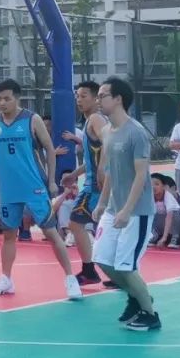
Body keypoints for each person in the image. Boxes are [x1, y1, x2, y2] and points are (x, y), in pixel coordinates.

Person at [0, 79, 82, 299]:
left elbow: (49, 149)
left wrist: (52, 181)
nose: (2, 102)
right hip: (8, 189)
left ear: (17, 98)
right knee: (9, 234)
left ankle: (70, 278)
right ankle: (6, 279)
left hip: (34, 186)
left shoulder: (31, 119)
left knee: (51, 232)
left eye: (7, 98)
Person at [92, 77, 160, 330]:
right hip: (113, 209)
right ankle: (136, 296)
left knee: (125, 265)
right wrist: (102, 203)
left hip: (136, 212)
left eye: (103, 95)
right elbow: (111, 172)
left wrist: (127, 210)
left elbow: (141, 175)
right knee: (102, 259)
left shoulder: (136, 133)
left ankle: (150, 314)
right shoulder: (107, 132)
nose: (99, 100)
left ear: (118, 98)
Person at [60, 81, 106, 285]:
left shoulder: (96, 119)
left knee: (76, 223)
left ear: (96, 99)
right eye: (77, 96)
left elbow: (109, 145)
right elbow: (92, 160)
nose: (79, 100)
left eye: (84, 96)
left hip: (95, 186)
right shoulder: (90, 121)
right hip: (95, 183)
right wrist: (74, 174)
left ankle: (89, 270)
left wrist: (103, 172)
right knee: (107, 226)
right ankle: (117, 270)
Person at [148, 173, 180, 249]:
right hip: (161, 226)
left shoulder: (168, 196)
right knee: (149, 214)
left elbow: (169, 218)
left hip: (176, 226)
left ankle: (175, 237)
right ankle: (155, 235)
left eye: (157, 184)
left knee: (175, 212)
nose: (153, 187)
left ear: (164, 186)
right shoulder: (149, 197)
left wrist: (164, 238)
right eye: (151, 185)